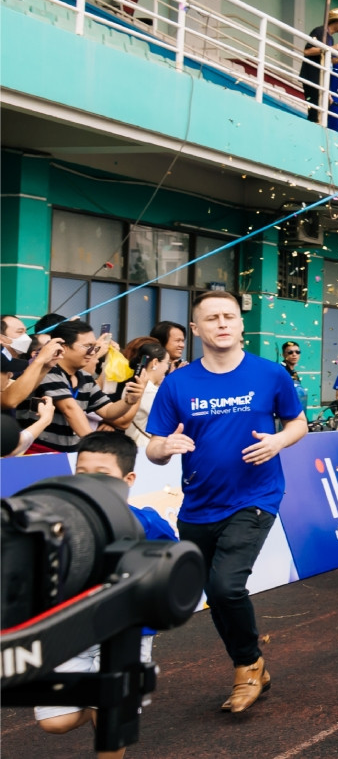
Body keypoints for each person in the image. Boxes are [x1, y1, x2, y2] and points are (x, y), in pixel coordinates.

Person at [144, 291, 307, 712]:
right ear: (196, 328)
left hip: (256, 496)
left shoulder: (270, 374)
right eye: (211, 318)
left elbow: (298, 423)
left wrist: (277, 441)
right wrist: (166, 447)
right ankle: (251, 663)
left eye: (229, 316)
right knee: (214, 593)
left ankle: (247, 668)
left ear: (239, 324)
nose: (222, 324)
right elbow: (153, 447)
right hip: (199, 503)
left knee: (225, 585)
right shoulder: (178, 383)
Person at [32, 430, 177, 759]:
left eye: (103, 476)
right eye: (82, 474)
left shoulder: (147, 524)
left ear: (128, 480)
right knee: (55, 721)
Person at [28, 319, 145, 452]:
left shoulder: (85, 377)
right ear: (64, 347)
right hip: (39, 453)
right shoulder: (48, 370)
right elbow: (69, 409)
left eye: (95, 347)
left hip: (68, 454)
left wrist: (128, 401)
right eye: (87, 346)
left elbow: (108, 411)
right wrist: (97, 448)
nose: (93, 352)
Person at [298, 7, 338, 123]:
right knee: (315, 112)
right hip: (313, 77)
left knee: (320, 111)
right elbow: (307, 51)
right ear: (337, 21)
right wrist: (331, 48)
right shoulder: (320, 31)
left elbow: (329, 60)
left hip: (321, 79)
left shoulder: (330, 37)